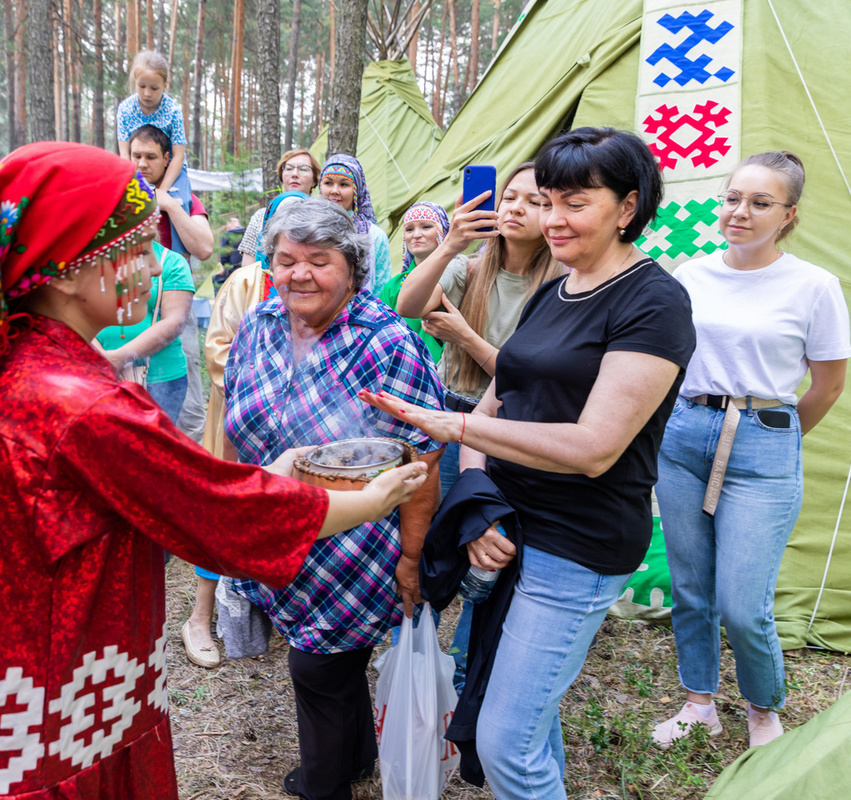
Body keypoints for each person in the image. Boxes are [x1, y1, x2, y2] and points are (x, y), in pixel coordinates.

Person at [0, 142, 429, 799]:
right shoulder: (80, 402)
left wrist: (271, 472)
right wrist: (373, 499)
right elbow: (213, 513)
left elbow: (159, 488)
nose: (153, 267)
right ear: (67, 271)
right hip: (35, 704)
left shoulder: (11, 355)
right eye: (134, 248)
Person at [361, 127, 696, 799]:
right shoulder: (557, 289)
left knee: (505, 744)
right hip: (509, 529)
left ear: (627, 208)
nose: (553, 219)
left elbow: (596, 446)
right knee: (525, 720)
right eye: (547, 202)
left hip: (576, 542)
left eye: (575, 202)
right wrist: (480, 501)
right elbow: (500, 398)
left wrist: (452, 427)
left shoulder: (653, 302)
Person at [225, 198, 445, 800]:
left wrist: (410, 555)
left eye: (317, 261)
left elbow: (424, 458)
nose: (298, 274)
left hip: (357, 544)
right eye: (286, 259)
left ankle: (324, 783)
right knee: (332, 664)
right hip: (284, 531)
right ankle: (355, 757)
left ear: (351, 266)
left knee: (318, 667)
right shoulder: (261, 321)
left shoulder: (387, 340)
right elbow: (234, 416)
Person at [652, 151, 850, 750]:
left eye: (760, 202)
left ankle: (763, 707)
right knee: (691, 584)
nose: (740, 211)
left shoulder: (815, 285)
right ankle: (699, 701)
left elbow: (827, 385)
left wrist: (771, 437)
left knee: (743, 601)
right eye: (733, 197)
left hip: (763, 443)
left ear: (787, 215)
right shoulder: (690, 276)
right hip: (685, 434)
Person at [394, 164, 561, 692]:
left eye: (532, 201)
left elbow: (528, 384)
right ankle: (413, 649)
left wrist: (465, 335)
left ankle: (467, 667)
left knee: (487, 553)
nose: (514, 207)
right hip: (448, 413)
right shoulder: (469, 268)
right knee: (428, 540)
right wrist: (448, 246)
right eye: (508, 196)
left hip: (512, 429)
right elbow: (407, 305)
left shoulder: (558, 282)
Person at [193, 190, 310, 667]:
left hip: (297, 427)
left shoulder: (316, 283)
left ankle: (269, 613)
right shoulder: (245, 281)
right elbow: (218, 349)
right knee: (222, 512)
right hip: (239, 421)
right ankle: (199, 616)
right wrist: (272, 384)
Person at [127, 123, 211, 443]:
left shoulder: (185, 199)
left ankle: (189, 454)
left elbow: (203, 248)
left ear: (167, 159)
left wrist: (170, 205)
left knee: (186, 389)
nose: (142, 164)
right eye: (136, 156)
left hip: (174, 300)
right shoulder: (118, 195)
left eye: (150, 157)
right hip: (125, 304)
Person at [95, 241, 195, 424]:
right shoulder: (91, 256)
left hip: (158, 377)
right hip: (94, 368)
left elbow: (175, 321)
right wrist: (98, 356)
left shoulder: (171, 262)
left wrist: (117, 358)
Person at [116, 50, 191, 203]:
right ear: (135, 82)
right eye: (142, 86)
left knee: (178, 202)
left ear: (165, 85)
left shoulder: (173, 112)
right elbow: (124, 154)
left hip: (171, 171)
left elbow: (178, 156)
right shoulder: (125, 109)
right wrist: (135, 183)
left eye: (154, 88)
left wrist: (162, 191)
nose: (147, 93)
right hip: (138, 168)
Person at [378, 201, 447, 364]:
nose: (416, 234)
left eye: (426, 227)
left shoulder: (457, 277)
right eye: (409, 229)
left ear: (442, 232)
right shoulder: (393, 286)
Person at [318, 154, 392, 296]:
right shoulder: (307, 229)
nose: (334, 190)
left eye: (344, 184)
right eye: (328, 183)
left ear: (356, 191)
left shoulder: (374, 237)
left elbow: (381, 291)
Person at [238, 148, 322, 266]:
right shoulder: (260, 217)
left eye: (303, 169)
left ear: (315, 180)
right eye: (289, 168)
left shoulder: (323, 216)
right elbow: (248, 271)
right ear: (281, 176)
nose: (294, 174)